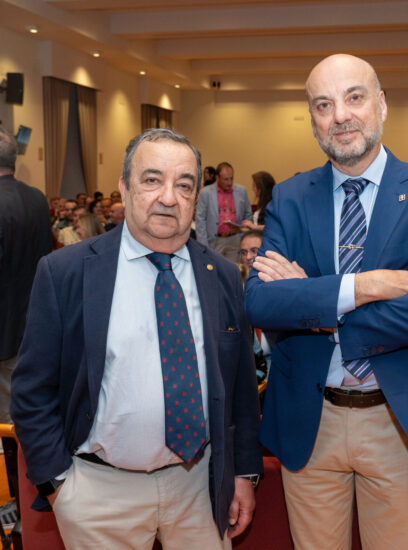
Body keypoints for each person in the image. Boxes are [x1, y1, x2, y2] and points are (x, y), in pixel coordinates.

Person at [244, 54, 408, 550]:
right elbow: (260, 303)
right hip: (310, 418)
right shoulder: (289, 198)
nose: (340, 116)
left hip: (398, 418)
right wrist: (359, 288)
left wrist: (314, 299)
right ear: (312, 118)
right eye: (323, 105)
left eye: (354, 97)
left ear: (382, 104)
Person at [11, 128, 262, 549]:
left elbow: (240, 387)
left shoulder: (221, 275)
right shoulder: (66, 272)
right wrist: (58, 485)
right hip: (99, 495)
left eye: (184, 185)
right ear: (125, 189)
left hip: (198, 487)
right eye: (152, 180)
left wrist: (243, 473)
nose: (168, 197)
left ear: (195, 198)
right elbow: (31, 391)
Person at [0, 126, 52, 423]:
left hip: (4, 330)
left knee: (8, 417)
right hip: (33, 321)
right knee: (26, 407)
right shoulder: (37, 198)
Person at [195, 162, 253, 263]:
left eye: (231, 178)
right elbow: (200, 220)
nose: (229, 182)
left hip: (236, 240)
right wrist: (203, 245)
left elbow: (248, 215)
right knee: (214, 267)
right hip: (214, 240)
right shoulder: (206, 192)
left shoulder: (241, 191)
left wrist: (244, 236)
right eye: (226, 179)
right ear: (217, 178)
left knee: (235, 269)